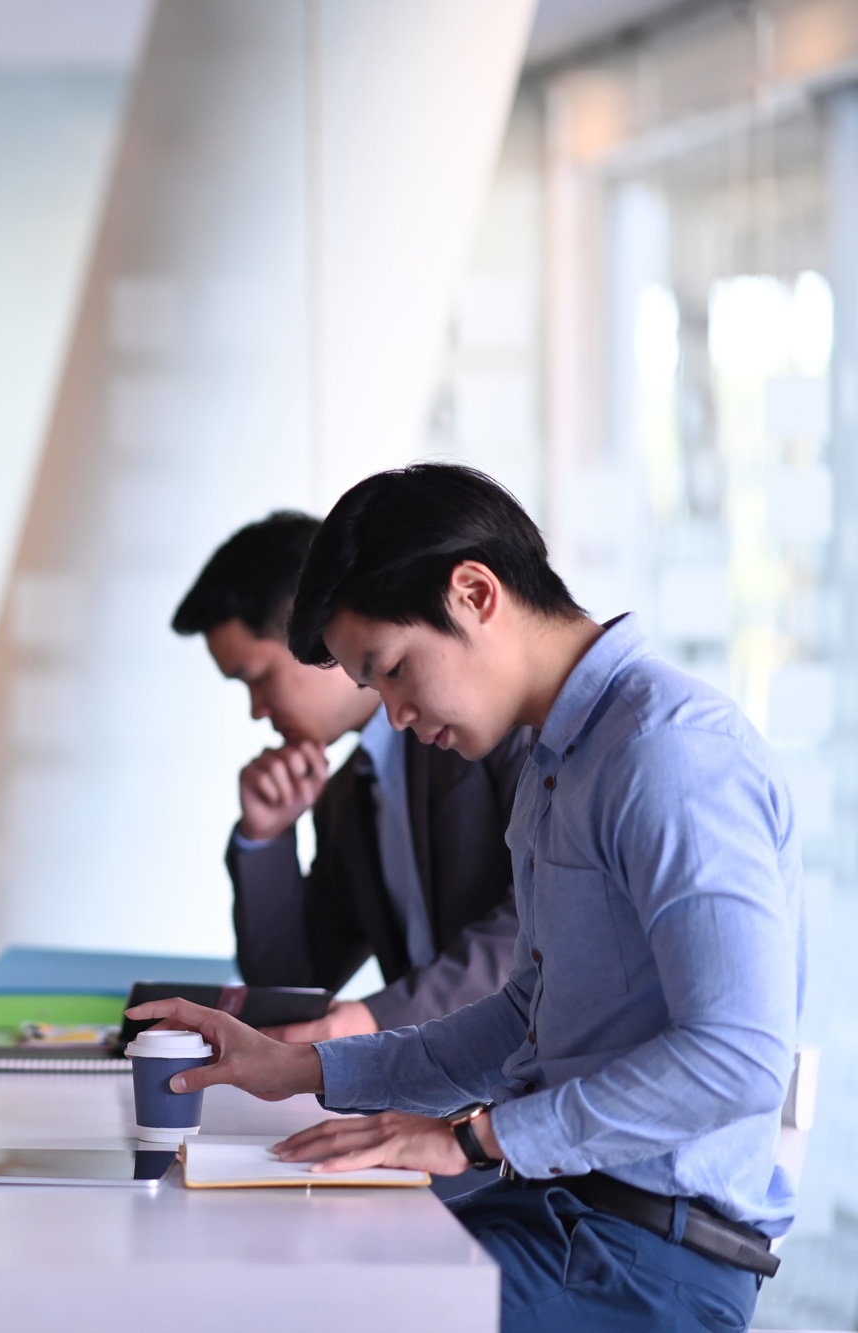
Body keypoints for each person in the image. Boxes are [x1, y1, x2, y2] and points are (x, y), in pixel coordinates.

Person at [133, 464, 802, 1332]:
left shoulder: (668, 754)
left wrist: (475, 1138)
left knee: (300, 1304)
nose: (399, 715)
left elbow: (739, 1060)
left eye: (395, 669)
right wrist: (301, 1068)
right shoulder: (560, 763)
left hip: (645, 1261)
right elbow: (528, 1009)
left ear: (475, 592)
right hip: (562, 1218)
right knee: (260, 1264)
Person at [172, 511, 528, 1040]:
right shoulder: (348, 794)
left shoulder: (493, 725)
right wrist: (266, 837)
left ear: (314, 631)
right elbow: (289, 984)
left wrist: (374, 1020)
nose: (257, 710)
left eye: (259, 677)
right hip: (432, 1087)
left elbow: (539, 926)